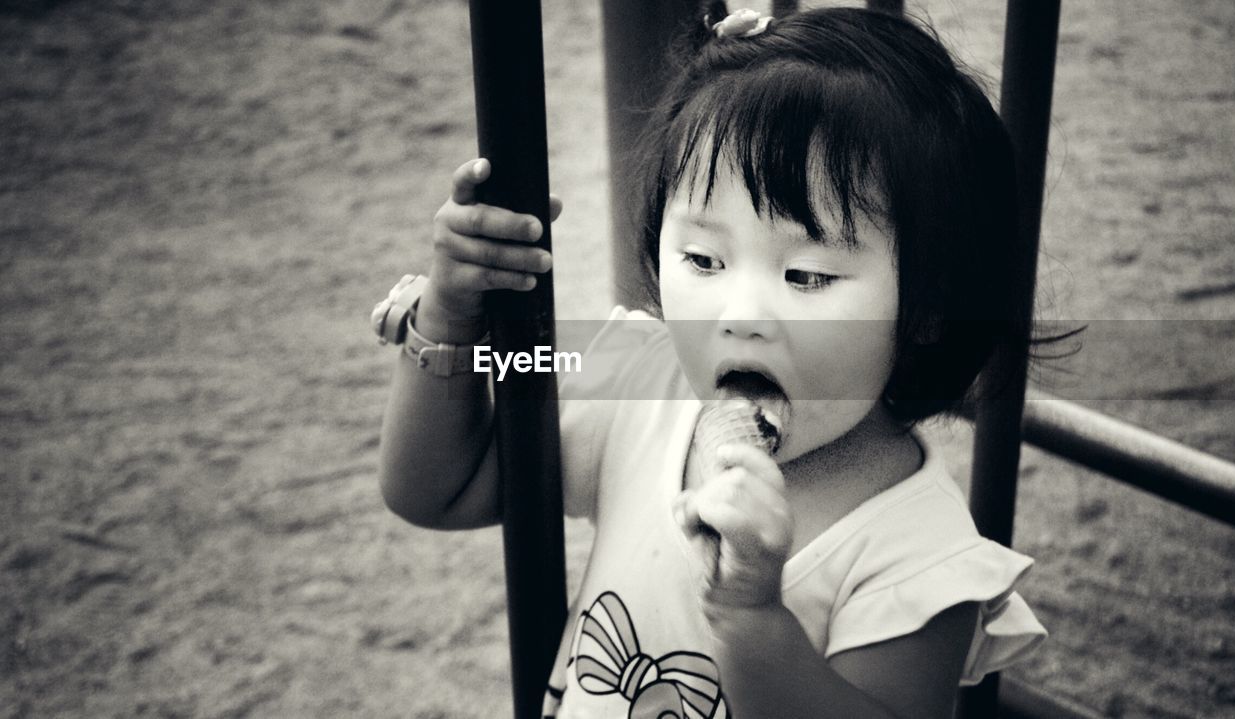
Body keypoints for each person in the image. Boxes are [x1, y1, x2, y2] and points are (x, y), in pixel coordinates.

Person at [378, 5, 1048, 717]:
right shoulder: (644, 384)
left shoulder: (916, 554)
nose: (740, 312)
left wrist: (753, 615)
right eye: (703, 258)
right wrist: (448, 319)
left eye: (807, 276)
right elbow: (439, 491)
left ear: (929, 307)